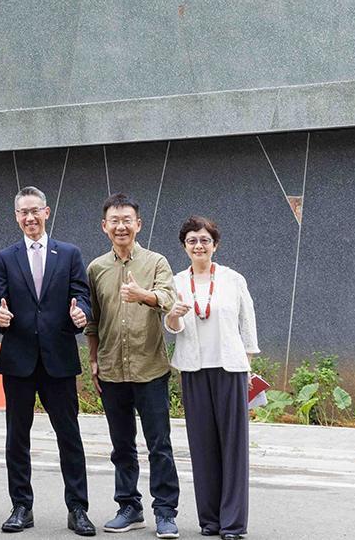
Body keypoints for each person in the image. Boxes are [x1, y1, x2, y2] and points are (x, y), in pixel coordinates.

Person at [0, 187, 95, 536]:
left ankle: (78, 508)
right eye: (23, 212)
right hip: (18, 359)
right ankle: (21, 506)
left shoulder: (68, 253)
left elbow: (82, 296)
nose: (29, 218)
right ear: (16, 216)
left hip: (58, 359)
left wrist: (82, 313)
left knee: (69, 436)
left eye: (35, 211)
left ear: (47, 212)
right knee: (16, 438)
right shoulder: (6, 256)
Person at [86, 194, 179, 539]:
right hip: (111, 369)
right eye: (114, 220)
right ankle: (129, 506)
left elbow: (169, 299)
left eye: (127, 219)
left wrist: (143, 295)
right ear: (105, 226)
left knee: (160, 445)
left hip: (150, 368)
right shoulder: (96, 268)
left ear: (138, 224)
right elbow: (92, 321)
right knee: (121, 445)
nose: (121, 225)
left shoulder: (156, 262)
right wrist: (93, 359)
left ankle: (166, 511)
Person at [163, 217, 258, 540]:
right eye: (192, 241)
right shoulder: (176, 281)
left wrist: (247, 365)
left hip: (230, 369)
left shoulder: (233, 279)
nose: (199, 246)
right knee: (202, 446)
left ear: (215, 244)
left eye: (204, 240)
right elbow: (174, 328)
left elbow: (247, 322)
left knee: (233, 447)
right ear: (184, 247)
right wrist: (173, 317)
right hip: (194, 369)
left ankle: (232, 524)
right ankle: (210, 520)